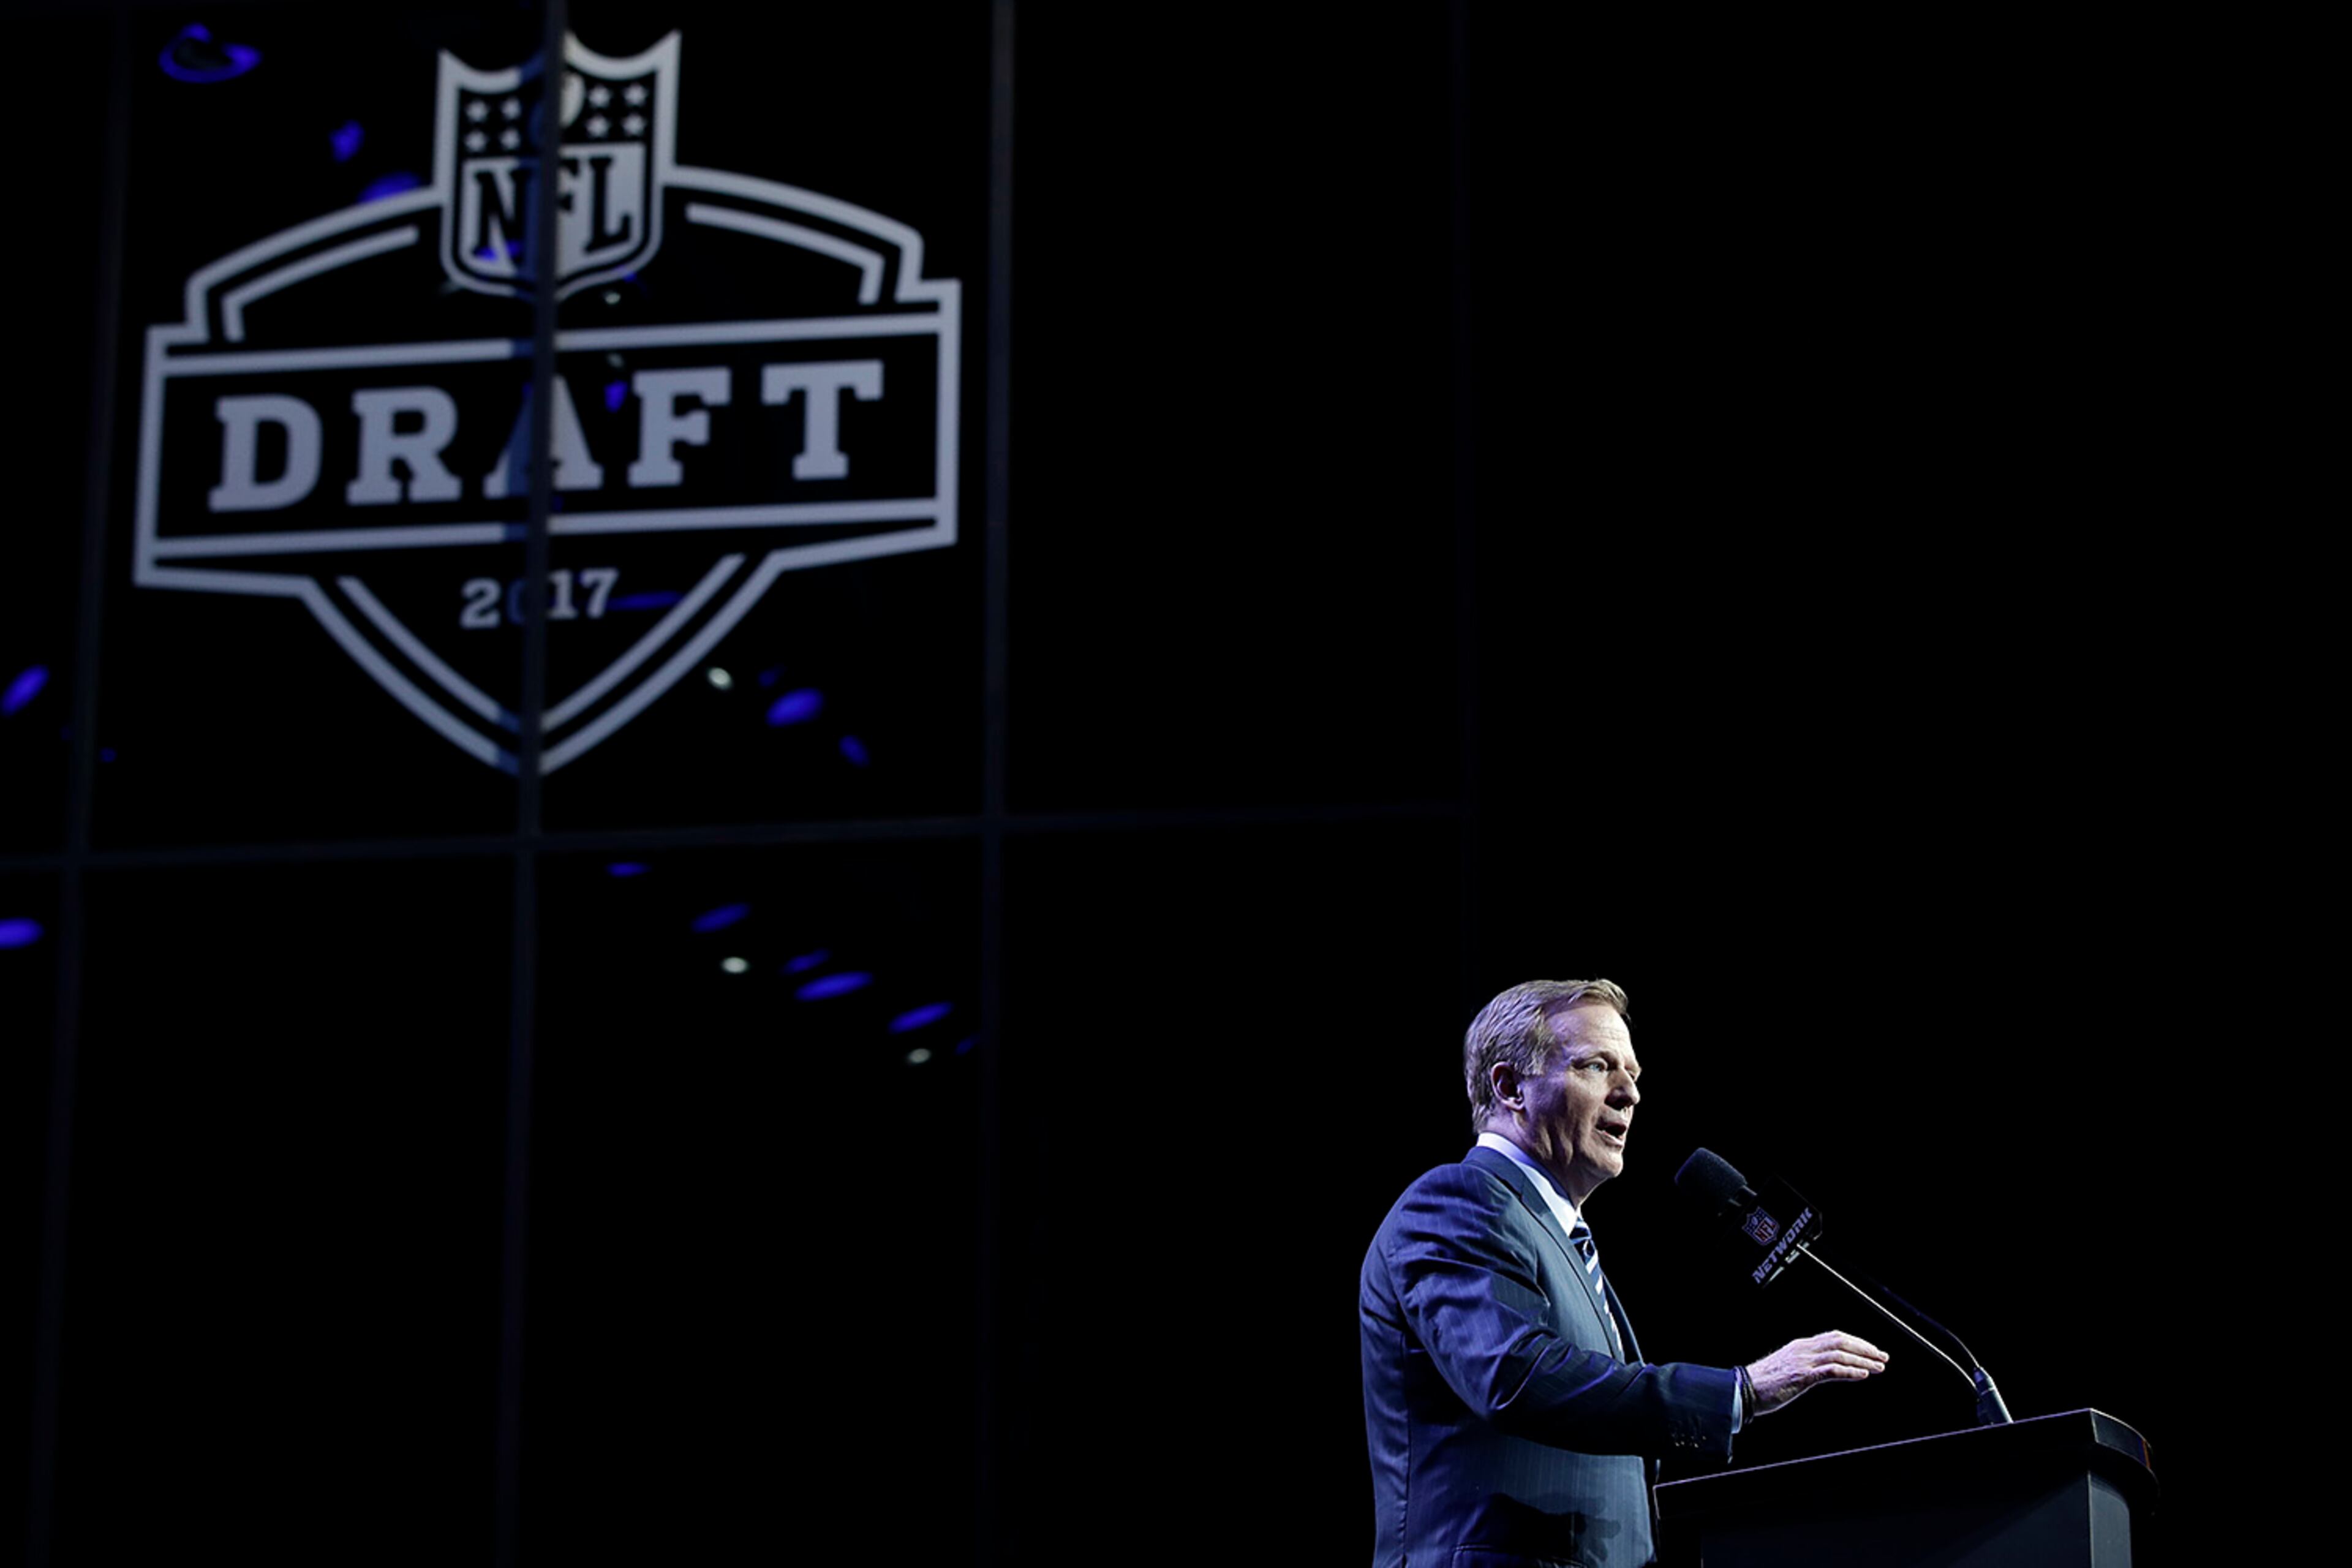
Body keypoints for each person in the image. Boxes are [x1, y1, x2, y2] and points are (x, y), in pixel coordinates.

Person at [1360, 978, 1887, 1568]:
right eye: (1597, 1066)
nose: (1629, 1093)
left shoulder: (1558, 1238)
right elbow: (1515, 1374)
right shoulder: (1458, 1201)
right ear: (1510, 1087)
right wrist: (1739, 1392)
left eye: (1633, 1073)